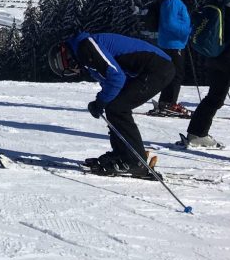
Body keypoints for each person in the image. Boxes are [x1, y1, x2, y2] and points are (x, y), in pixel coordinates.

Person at [49, 31, 174, 177]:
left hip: (157, 68)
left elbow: (116, 78)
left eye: (69, 70)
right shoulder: (84, 51)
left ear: (68, 59)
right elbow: (111, 80)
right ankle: (124, 153)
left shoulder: (85, 47)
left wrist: (101, 101)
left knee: (118, 108)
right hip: (152, 69)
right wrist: (103, 101)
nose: (74, 71)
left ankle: (135, 161)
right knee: (114, 106)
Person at [181, 0, 230, 148]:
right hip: (229, 57)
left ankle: (197, 133)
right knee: (215, 96)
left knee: (215, 96)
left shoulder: (218, 2)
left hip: (215, 57)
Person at [152, 0, 194, 117]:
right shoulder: (172, 1)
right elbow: (170, 24)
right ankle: (169, 103)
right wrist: (188, 31)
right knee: (176, 74)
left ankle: (166, 102)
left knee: (173, 73)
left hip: (174, 42)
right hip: (173, 43)